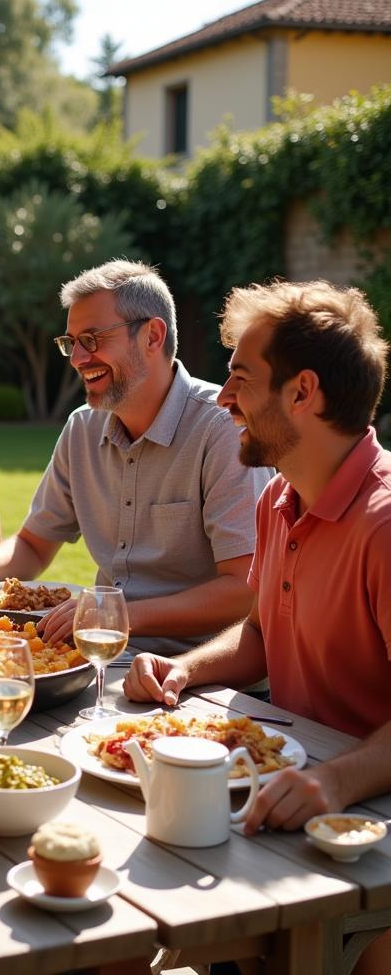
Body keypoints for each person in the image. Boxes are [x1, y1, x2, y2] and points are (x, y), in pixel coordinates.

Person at [123, 279, 391, 975]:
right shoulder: (279, 497)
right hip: (280, 791)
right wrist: (186, 670)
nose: (222, 396)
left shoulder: (385, 525)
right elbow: (263, 638)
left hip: (360, 820)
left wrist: (336, 781)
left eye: (240, 378)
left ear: (303, 393)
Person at [0, 260, 272, 656]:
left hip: (200, 676)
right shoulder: (82, 428)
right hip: (99, 658)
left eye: (92, 339)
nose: (78, 358)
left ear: (152, 336)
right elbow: (33, 544)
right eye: (71, 342)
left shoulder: (222, 429)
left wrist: (121, 616)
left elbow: (245, 590)